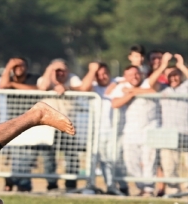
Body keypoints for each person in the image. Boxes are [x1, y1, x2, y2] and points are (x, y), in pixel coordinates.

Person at [78, 62, 128, 195]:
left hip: (115, 131)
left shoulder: (117, 83)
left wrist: (115, 84)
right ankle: (101, 185)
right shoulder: (93, 87)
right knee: (99, 160)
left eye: (105, 73)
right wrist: (92, 70)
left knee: (115, 160)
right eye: (99, 75)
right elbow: (83, 88)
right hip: (98, 132)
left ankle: (120, 186)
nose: (103, 77)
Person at [110, 65, 158, 196]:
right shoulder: (121, 88)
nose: (134, 77)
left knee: (149, 160)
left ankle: (148, 189)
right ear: (125, 77)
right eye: (130, 75)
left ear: (141, 74)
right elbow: (115, 103)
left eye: (136, 74)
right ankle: (141, 186)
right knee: (131, 161)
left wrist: (133, 91)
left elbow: (153, 92)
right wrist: (130, 94)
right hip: (131, 130)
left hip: (149, 129)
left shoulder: (147, 83)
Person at [37, 59, 83, 191]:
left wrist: (67, 88)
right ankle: (51, 184)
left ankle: (71, 184)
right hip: (48, 125)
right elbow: (43, 86)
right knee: (48, 156)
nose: (60, 73)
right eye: (57, 70)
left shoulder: (73, 78)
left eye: (63, 70)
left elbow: (83, 87)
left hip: (68, 123)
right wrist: (51, 71)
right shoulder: (44, 78)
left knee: (71, 155)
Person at [147, 53, 188, 196]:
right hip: (168, 135)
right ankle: (174, 190)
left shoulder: (185, 87)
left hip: (185, 132)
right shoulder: (163, 88)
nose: (174, 78)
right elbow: (150, 83)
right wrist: (163, 66)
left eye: (176, 75)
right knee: (169, 166)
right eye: (170, 75)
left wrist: (181, 66)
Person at [0, 57, 40, 191]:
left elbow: (36, 89)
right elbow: (2, 86)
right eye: (15, 67)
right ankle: (15, 181)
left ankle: (23, 183)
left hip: (30, 122)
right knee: (15, 155)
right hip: (14, 122)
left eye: (21, 66)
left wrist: (14, 85)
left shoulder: (33, 78)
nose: (18, 68)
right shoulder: (8, 78)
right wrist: (9, 67)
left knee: (28, 155)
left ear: (27, 67)